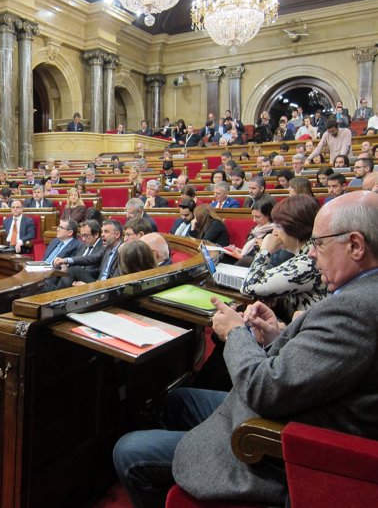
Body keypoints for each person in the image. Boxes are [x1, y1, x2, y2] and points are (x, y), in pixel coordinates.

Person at [114, 190, 378, 508]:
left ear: (355, 245)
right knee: (176, 400)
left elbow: (264, 389)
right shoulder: (360, 294)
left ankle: (190, 471)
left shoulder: (357, 308)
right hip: (287, 406)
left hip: (272, 440)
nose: (311, 255)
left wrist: (236, 333)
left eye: (319, 244)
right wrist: (275, 335)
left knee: (128, 450)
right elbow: (324, 361)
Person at [241, 195, 326, 322]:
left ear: (296, 228)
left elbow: (248, 288)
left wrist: (265, 251)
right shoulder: (307, 252)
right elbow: (265, 279)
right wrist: (273, 293)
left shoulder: (308, 261)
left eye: (279, 227)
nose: (274, 233)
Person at [54, 219, 123, 287]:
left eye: (106, 232)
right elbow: (90, 259)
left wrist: (89, 286)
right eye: (102, 231)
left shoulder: (122, 252)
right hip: (98, 284)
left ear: (117, 234)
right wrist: (66, 260)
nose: (102, 235)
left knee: (74, 270)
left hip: (106, 290)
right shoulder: (107, 249)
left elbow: (116, 284)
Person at [223, 197, 276, 266]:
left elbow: (270, 260)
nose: (254, 220)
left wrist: (240, 256)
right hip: (244, 261)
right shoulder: (255, 229)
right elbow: (249, 252)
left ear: (269, 215)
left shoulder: (275, 233)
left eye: (257, 217)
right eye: (253, 216)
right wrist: (239, 251)